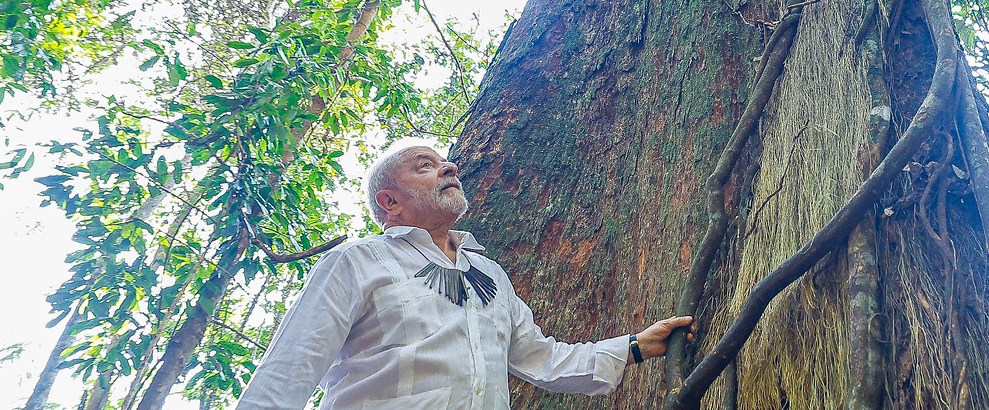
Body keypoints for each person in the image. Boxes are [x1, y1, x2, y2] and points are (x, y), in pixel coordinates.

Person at [235, 138, 693, 409]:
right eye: (425, 165)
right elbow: (289, 369)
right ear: (390, 203)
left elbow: (541, 359)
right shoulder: (356, 261)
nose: (448, 167)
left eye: (444, 161)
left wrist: (633, 347)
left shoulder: (489, 273)